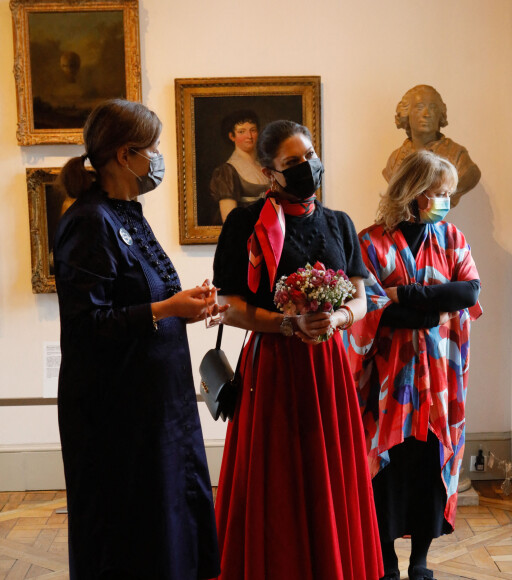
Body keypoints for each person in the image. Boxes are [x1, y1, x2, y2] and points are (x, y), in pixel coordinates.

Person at [53, 98, 226, 580]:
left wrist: (184, 307)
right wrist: (166, 309)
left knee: (168, 522)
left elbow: (146, 298)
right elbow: (89, 325)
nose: (158, 157)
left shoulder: (127, 212)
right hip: (117, 413)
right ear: (125, 155)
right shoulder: (89, 220)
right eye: (151, 147)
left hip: (159, 406)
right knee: (129, 532)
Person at [212, 120, 384, 580]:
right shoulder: (245, 224)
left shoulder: (339, 223)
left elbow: (360, 297)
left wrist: (338, 319)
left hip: (327, 366)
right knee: (277, 476)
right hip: (274, 365)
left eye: (309, 155)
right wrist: (290, 323)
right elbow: (229, 307)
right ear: (269, 173)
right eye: (293, 163)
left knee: (331, 475)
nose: (308, 166)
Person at [347, 150, 482, 580]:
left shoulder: (451, 238)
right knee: (386, 464)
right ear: (415, 192)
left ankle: (420, 562)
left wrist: (402, 296)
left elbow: (469, 292)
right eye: (441, 193)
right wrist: (430, 307)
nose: (446, 201)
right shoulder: (370, 242)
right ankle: (386, 562)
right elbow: (371, 308)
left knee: (429, 461)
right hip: (387, 379)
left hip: (439, 377)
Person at [382, 85, 481, 207]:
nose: (426, 114)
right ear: (406, 114)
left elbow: (469, 176)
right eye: (419, 107)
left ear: (440, 114)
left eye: (433, 108)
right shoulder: (395, 159)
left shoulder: (458, 156)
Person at [210, 109, 269, 223]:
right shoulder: (226, 171)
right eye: (242, 132)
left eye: (253, 130)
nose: (249, 136)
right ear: (232, 136)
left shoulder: (266, 164)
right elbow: (230, 221)